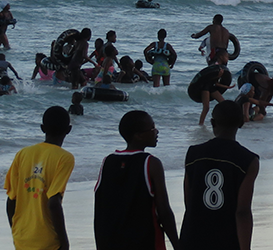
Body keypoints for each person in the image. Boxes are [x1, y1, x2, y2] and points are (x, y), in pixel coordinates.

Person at [94, 110, 179, 250]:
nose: (156, 132)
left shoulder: (108, 162)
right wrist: (177, 244)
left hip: (112, 241)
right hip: (146, 241)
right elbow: (164, 211)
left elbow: (100, 208)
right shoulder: (151, 163)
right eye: (152, 128)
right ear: (138, 135)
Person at [180, 101, 259, 250]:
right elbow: (242, 211)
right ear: (242, 123)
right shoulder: (248, 160)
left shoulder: (193, 153)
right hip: (227, 238)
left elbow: (189, 201)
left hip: (193, 236)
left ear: (212, 123)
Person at [4, 106, 74, 250]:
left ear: (42, 128)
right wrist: (65, 244)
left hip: (22, 238)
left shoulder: (22, 154)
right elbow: (54, 203)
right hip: (48, 241)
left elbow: (11, 200)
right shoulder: (64, 158)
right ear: (68, 130)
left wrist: (15, 230)